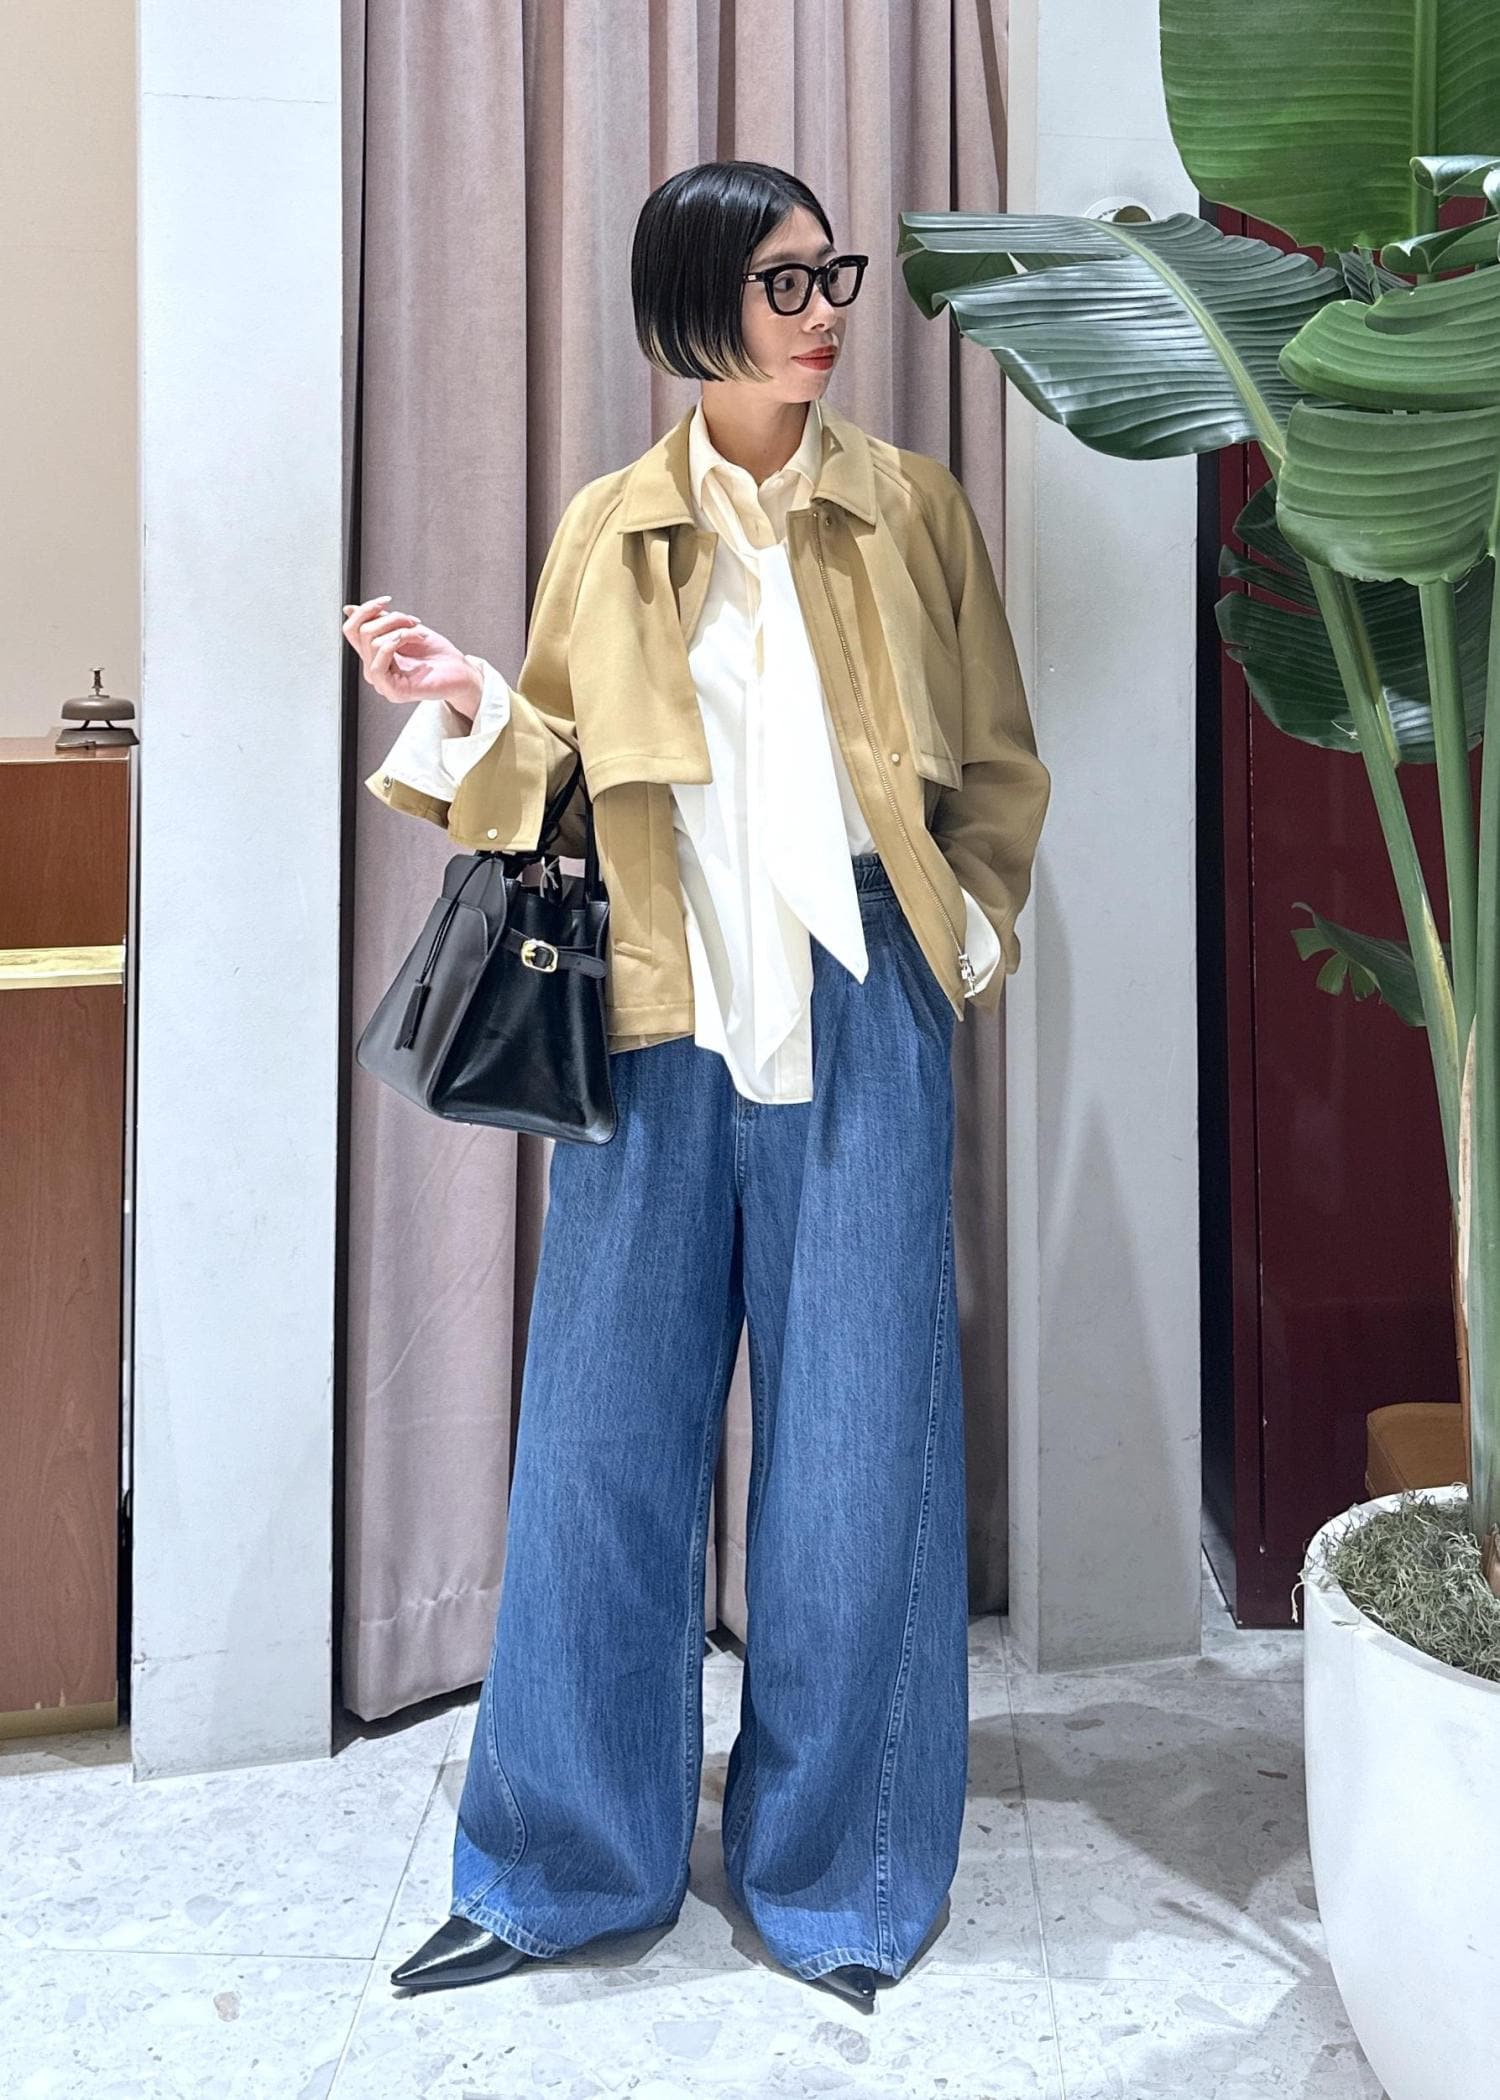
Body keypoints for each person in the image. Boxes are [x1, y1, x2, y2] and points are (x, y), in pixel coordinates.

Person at [342, 159, 1049, 2014]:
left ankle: (845, 1875)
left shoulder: (909, 512)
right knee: (600, 1449)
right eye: (781, 283)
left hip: (864, 1010)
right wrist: (466, 699)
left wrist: (964, 939)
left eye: (832, 277)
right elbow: (553, 783)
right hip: (654, 1023)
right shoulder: (614, 526)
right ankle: (559, 1866)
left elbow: (994, 757)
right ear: (693, 306)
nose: (823, 315)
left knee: (861, 1460)